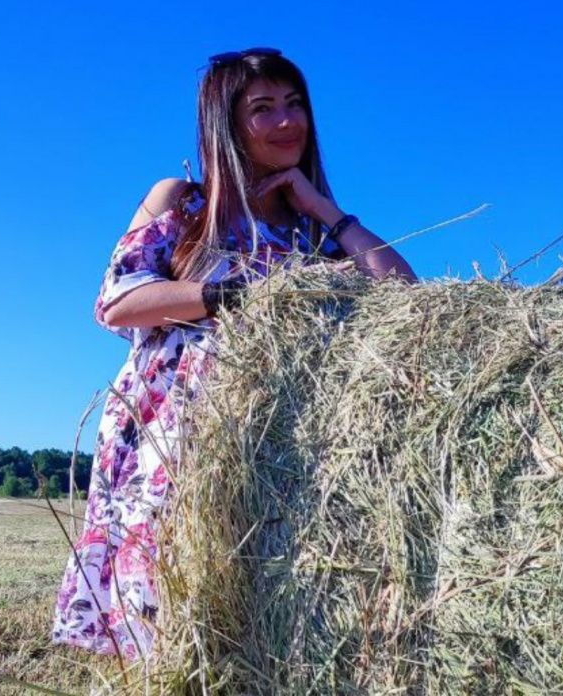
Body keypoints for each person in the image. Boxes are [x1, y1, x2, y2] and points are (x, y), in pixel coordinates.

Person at [51, 48, 417, 663]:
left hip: (274, 441)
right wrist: (234, 294)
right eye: (264, 109)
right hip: (176, 436)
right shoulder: (184, 203)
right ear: (227, 124)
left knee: (254, 614)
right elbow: (118, 301)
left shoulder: (311, 232)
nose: (286, 122)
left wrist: (327, 211)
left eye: (295, 104)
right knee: (169, 603)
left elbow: (407, 297)